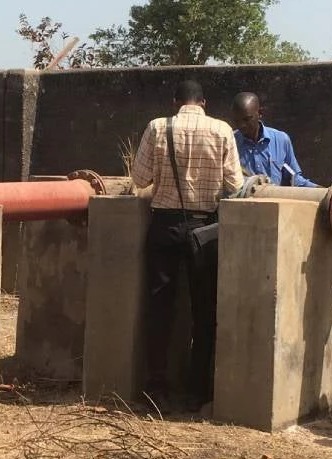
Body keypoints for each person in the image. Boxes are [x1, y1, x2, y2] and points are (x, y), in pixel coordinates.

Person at [130, 80, 244, 412]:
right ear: (203, 102)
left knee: (160, 307)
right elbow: (234, 184)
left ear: (176, 101)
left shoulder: (157, 127)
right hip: (205, 228)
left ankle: (156, 388)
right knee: (204, 311)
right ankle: (197, 390)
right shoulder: (222, 130)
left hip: (164, 224)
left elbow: (139, 179)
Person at [231, 92, 320, 188]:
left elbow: (295, 179)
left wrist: (322, 192)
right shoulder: (230, 143)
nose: (241, 125)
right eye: (237, 121)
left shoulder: (281, 140)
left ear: (260, 113)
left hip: (276, 201)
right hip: (242, 203)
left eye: (247, 119)